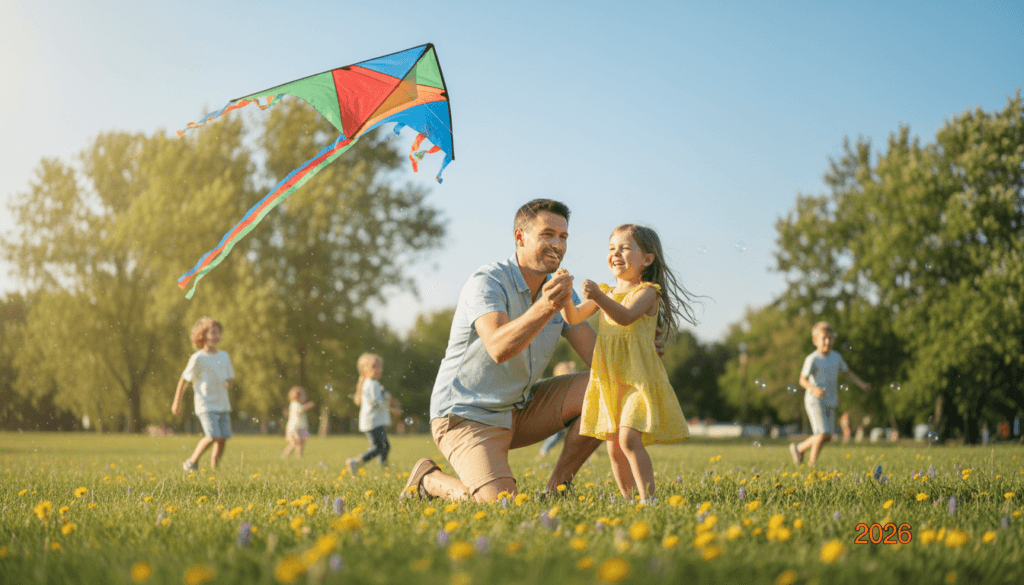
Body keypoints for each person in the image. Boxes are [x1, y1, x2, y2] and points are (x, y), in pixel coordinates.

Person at [401, 199, 606, 504]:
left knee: (608, 386)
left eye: (563, 237)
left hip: (518, 408)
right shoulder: (488, 282)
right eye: (547, 234)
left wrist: (638, 345)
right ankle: (428, 479)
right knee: (502, 504)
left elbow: (599, 359)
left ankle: (558, 489)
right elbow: (498, 348)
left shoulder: (560, 291)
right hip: (466, 415)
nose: (558, 245)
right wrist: (545, 307)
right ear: (520, 237)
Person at [560, 224, 697, 501]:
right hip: (611, 380)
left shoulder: (647, 292)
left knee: (629, 439)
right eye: (612, 248)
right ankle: (629, 500)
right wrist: (564, 295)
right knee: (614, 448)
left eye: (624, 248)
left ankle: (649, 500)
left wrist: (598, 296)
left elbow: (625, 316)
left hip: (638, 380)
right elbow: (573, 317)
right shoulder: (607, 293)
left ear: (647, 259)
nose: (615, 253)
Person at [789, 322, 870, 466]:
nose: (828, 341)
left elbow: (847, 373)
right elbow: (802, 380)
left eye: (830, 338)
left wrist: (861, 384)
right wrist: (814, 389)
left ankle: (799, 449)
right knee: (822, 433)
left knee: (827, 436)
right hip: (814, 400)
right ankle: (812, 464)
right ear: (815, 340)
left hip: (831, 399)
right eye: (824, 338)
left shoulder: (836, 357)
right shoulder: (812, 359)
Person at [172, 317, 235, 471]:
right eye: (212, 332)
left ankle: (215, 469)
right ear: (202, 335)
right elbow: (184, 380)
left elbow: (229, 376)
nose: (216, 335)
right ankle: (191, 462)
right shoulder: (198, 358)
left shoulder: (224, 356)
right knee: (212, 435)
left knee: (222, 438)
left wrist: (228, 381)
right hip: (206, 404)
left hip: (222, 404)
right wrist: (176, 402)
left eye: (218, 332)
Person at [347, 353, 391, 471]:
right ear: (364, 369)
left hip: (373, 421)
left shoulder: (371, 383)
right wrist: (387, 402)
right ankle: (357, 462)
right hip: (373, 422)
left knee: (384, 446)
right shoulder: (372, 383)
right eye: (374, 366)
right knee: (379, 447)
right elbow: (376, 401)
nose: (378, 369)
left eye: (380, 366)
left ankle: (383, 466)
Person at [537, 362, 579, 458]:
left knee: (561, 435)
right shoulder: (558, 387)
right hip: (556, 417)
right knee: (556, 435)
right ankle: (543, 451)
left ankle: (576, 452)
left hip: (564, 416)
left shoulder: (569, 386)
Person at [281, 386, 315, 458]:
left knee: (301, 442)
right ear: (298, 396)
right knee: (295, 443)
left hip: (301, 427)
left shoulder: (295, 404)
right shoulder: (295, 404)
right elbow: (299, 411)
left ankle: (299, 457)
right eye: (304, 396)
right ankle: (284, 455)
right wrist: (307, 406)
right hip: (295, 427)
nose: (305, 397)